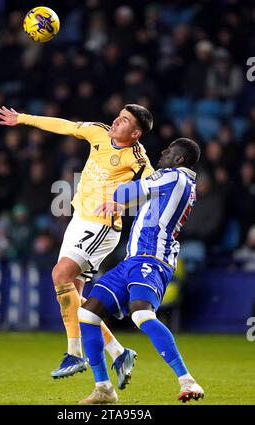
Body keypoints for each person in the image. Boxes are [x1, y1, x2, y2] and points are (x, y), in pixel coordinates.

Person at [0, 104, 154, 386]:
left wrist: (121, 201)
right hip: (79, 220)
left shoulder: (137, 157)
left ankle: (74, 353)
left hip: (102, 226)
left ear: (136, 133)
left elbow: (152, 187)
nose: (117, 120)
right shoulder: (99, 132)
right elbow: (65, 125)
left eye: (125, 120)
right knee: (73, 299)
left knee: (59, 275)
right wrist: (22, 119)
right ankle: (118, 352)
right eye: (119, 115)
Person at [78, 138, 205, 404]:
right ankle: (104, 388)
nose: (163, 152)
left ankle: (187, 380)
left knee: (141, 313)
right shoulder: (170, 182)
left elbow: (125, 193)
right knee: (88, 314)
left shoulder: (177, 177)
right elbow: (136, 201)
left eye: (169, 151)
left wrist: (110, 188)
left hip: (153, 259)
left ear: (179, 159)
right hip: (132, 260)